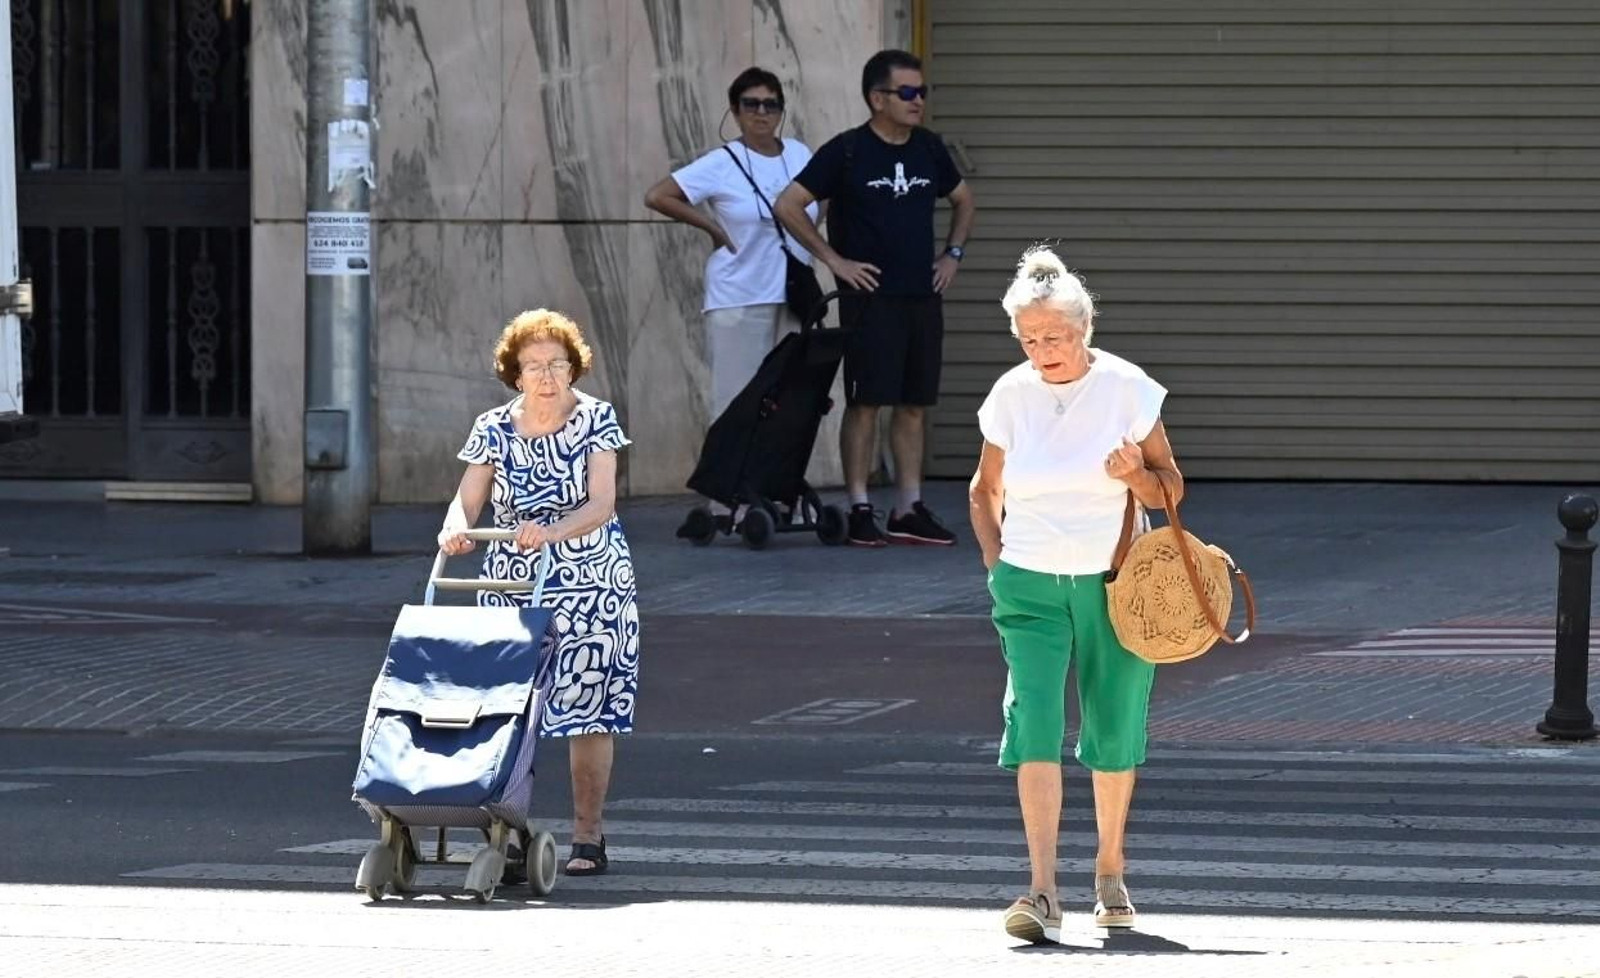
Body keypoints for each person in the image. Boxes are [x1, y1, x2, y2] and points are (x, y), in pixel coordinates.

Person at [967, 246, 1183, 943]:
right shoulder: (1010, 394)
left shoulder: (1127, 388)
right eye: (1029, 340)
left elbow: (1170, 489)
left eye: (1053, 337)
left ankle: (1110, 870)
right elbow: (984, 491)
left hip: (1115, 583)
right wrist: (998, 564)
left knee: (1113, 726)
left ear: (1085, 328)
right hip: (1029, 584)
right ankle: (1040, 889)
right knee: (1032, 724)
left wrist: (1135, 477)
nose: (1042, 351)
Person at [437, 309, 639, 878]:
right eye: (533, 366)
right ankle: (508, 829)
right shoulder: (493, 425)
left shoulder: (596, 417)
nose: (547, 376)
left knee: (588, 710)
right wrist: (454, 527)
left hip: (591, 578)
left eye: (557, 364)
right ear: (515, 375)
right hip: (512, 577)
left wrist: (551, 530)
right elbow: (467, 497)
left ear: (574, 369)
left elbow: (603, 502)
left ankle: (588, 836)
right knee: (505, 708)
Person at [773, 48, 977, 548]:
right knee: (866, 401)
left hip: (920, 295)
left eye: (922, 92)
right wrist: (834, 260)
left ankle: (908, 508)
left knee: (913, 403)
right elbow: (789, 204)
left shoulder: (928, 148)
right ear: (876, 98)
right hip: (869, 299)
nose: (918, 101)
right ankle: (861, 505)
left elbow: (964, 199)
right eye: (907, 93)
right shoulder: (847, 151)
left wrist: (951, 254)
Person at [643, 67, 823, 538]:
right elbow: (658, 195)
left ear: (782, 110)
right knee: (739, 401)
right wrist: (712, 228)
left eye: (771, 104)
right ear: (736, 111)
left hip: (790, 292)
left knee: (787, 401)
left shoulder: (800, 154)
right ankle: (729, 498)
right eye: (751, 104)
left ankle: (772, 490)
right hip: (738, 297)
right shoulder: (722, 162)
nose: (761, 113)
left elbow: (820, 202)